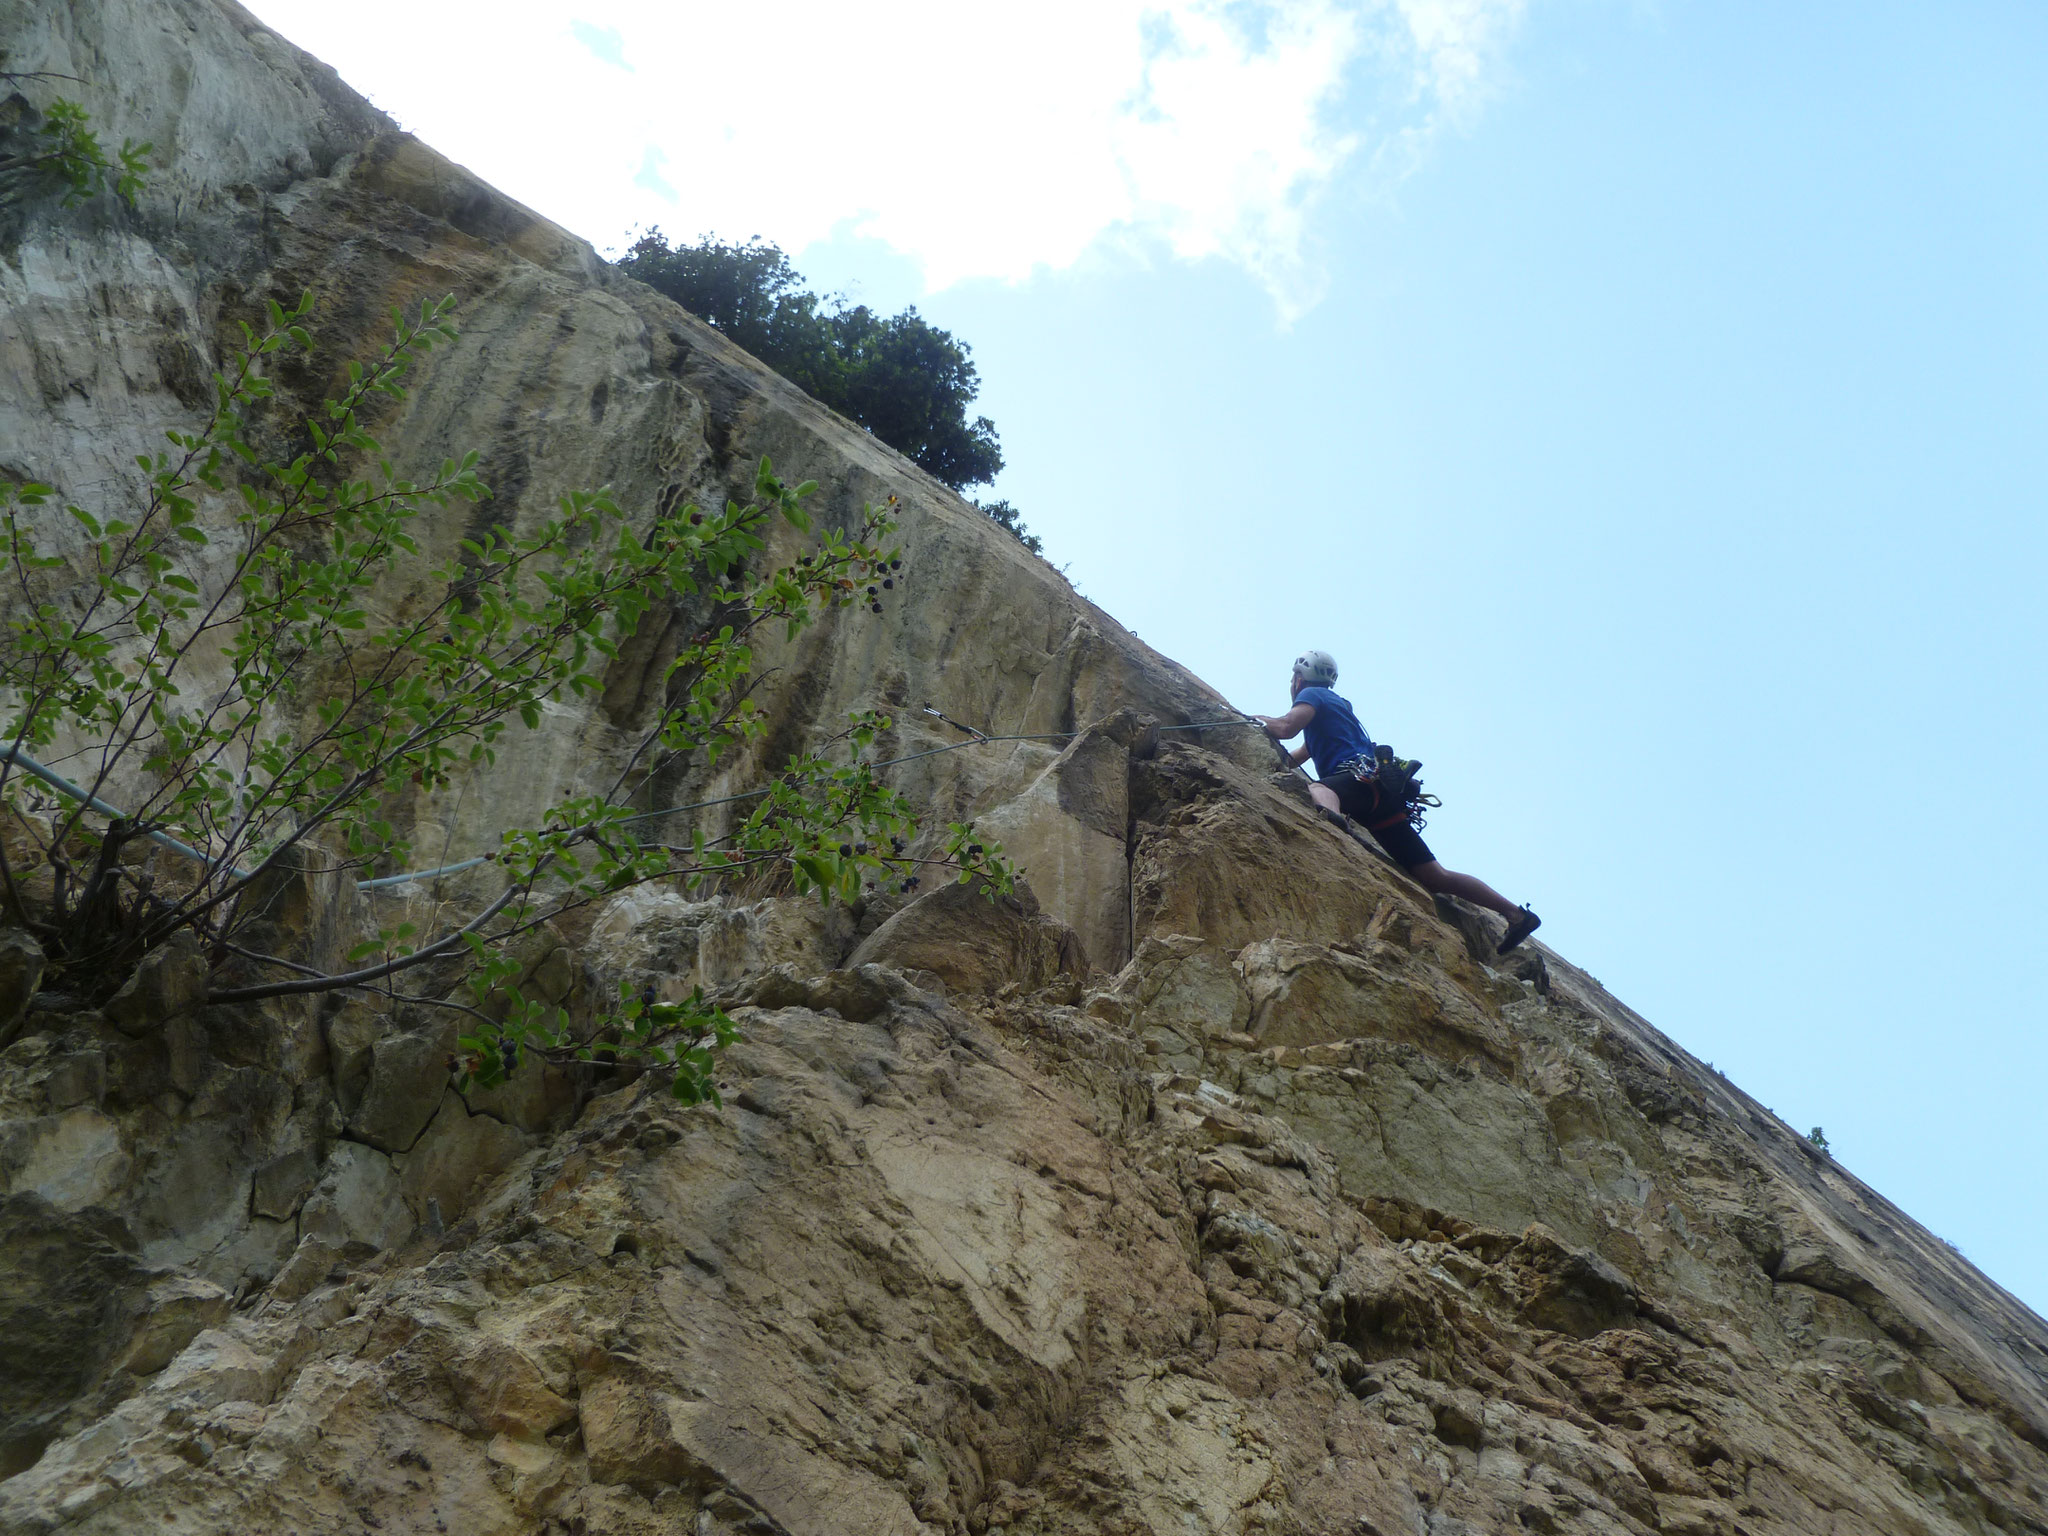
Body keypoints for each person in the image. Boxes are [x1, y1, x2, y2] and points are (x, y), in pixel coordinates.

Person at [1254, 649, 1541, 955]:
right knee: (1434, 876)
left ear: (1299, 679)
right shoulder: (1337, 711)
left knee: (1320, 789)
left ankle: (1333, 829)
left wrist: (1251, 720)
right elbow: (1296, 756)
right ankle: (1516, 915)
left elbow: (1285, 727)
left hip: (1357, 782)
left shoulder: (1312, 695)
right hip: (1382, 798)